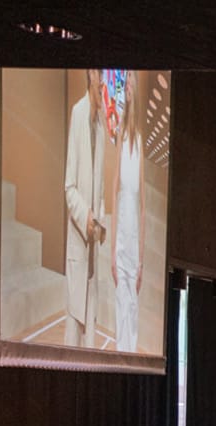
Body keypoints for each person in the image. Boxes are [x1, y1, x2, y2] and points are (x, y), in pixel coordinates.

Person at [64, 69, 108, 348]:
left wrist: (99, 221)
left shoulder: (101, 121)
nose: (102, 79)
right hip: (79, 238)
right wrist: (87, 217)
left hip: (93, 243)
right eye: (99, 73)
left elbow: (100, 187)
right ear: (90, 75)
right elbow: (69, 186)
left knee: (90, 334)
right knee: (73, 328)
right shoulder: (78, 113)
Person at [109, 72, 144, 353]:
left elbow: (142, 202)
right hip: (121, 225)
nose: (128, 88)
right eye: (127, 84)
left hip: (133, 227)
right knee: (121, 295)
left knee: (133, 302)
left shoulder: (139, 140)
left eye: (132, 84)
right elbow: (114, 189)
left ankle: (130, 352)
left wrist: (142, 258)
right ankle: (122, 351)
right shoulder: (120, 133)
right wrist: (111, 250)